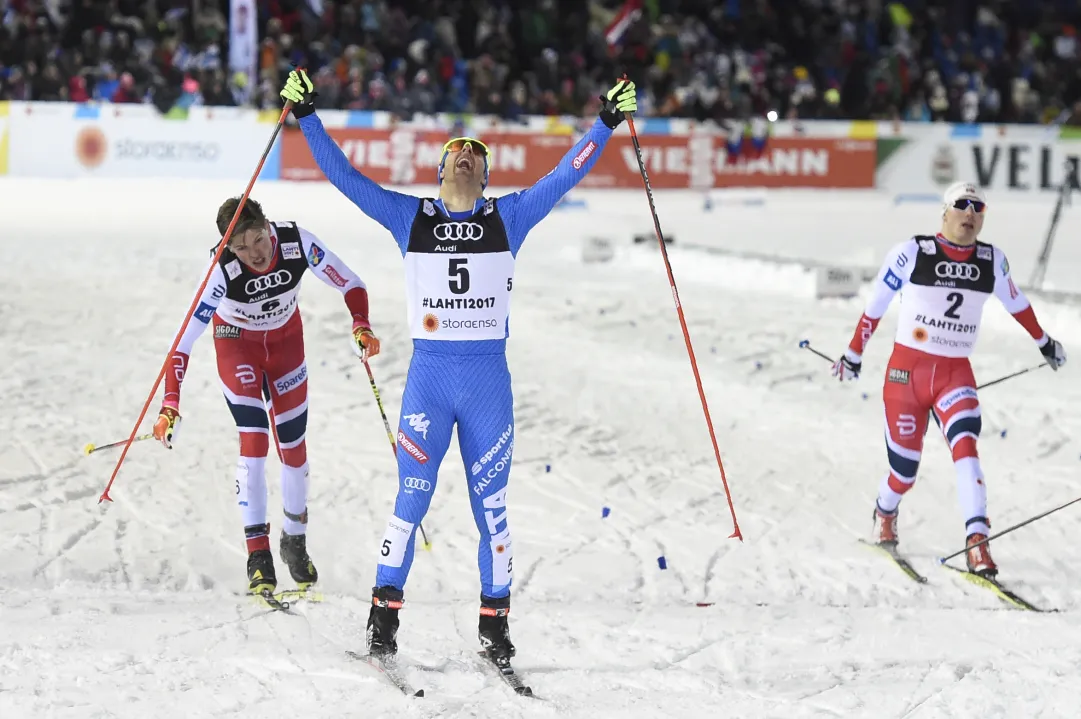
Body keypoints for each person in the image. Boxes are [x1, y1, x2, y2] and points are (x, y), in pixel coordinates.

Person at [278, 68, 637, 663]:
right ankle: (383, 619)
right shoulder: (408, 217)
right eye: (455, 153)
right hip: (430, 381)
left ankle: (495, 626)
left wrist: (604, 123)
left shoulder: (510, 217)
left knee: (491, 510)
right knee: (409, 501)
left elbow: (565, 175)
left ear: (486, 174)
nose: (466, 157)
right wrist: (308, 114)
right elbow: (344, 177)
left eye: (475, 154)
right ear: (440, 170)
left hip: (487, 386)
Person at [831, 182, 1067, 577]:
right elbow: (875, 307)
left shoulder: (991, 260)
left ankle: (977, 541)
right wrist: (853, 354)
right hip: (907, 374)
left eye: (979, 207)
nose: (971, 213)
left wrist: (1044, 342)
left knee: (966, 448)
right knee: (904, 473)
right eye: (962, 205)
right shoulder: (912, 253)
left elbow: (1017, 303)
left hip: (955, 373)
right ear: (945, 212)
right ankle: (885, 510)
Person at [152, 197, 382, 595]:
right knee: (255, 440)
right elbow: (182, 342)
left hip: (286, 345)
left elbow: (351, 281)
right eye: (239, 248)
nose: (252, 254)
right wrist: (170, 404)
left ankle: (295, 540)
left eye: (257, 240)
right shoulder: (221, 269)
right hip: (237, 345)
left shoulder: (295, 241)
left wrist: (360, 324)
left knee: (293, 447)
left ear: (268, 227)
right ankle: (258, 556)